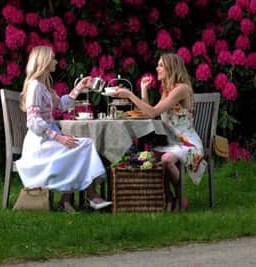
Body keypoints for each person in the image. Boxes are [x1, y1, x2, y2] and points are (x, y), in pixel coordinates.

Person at [16, 45, 112, 212]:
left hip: (48, 139)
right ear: (44, 61)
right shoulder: (35, 86)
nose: (56, 61)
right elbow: (33, 121)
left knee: (79, 146)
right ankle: (90, 195)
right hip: (39, 144)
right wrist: (58, 137)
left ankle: (69, 200)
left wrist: (80, 87)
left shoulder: (44, 86)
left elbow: (61, 104)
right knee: (83, 145)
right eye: (53, 58)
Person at [111, 53, 206, 212]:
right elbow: (150, 112)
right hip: (170, 142)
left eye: (161, 65)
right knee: (150, 159)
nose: (157, 68)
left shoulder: (181, 89)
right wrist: (143, 91)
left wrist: (129, 95)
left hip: (187, 143)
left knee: (167, 160)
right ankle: (168, 197)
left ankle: (180, 196)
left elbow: (153, 112)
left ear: (171, 68)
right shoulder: (167, 91)